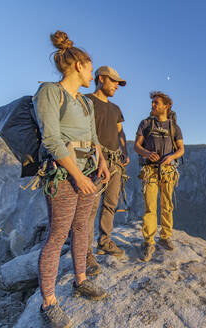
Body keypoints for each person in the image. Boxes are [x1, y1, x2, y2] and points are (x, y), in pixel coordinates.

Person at [34, 30, 110, 328]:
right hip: (65, 175)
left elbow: (92, 138)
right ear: (78, 65)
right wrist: (78, 176)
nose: (92, 73)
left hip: (88, 172)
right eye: (90, 68)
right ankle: (49, 302)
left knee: (82, 228)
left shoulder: (86, 103)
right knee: (57, 235)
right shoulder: (50, 93)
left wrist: (101, 162)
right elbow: (51, 139)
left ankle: (80, 280)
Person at [85, 66, 129, 276]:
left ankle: (104, 241)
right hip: (93, 161)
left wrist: (125, 151)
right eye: (114, 82)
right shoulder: (86, 102)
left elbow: (121, 133)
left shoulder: (115, 109)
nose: (116, 87)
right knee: (90, 207)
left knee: (110, 204)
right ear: (101, 78)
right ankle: (84, 253)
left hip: (115, 161)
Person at [134, 91, 185, 262]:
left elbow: (181, 149)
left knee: (167, 205)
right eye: (153, 103)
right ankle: (149, 241)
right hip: (150, 170)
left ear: (166, 105)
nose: (153, 105)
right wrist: (148, 153)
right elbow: (136, 146)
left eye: (156, 103)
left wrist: (171, 157)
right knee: (150, 206)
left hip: (167, 171)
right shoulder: (146, 123)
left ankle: (165, 236)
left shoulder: (174, 127)